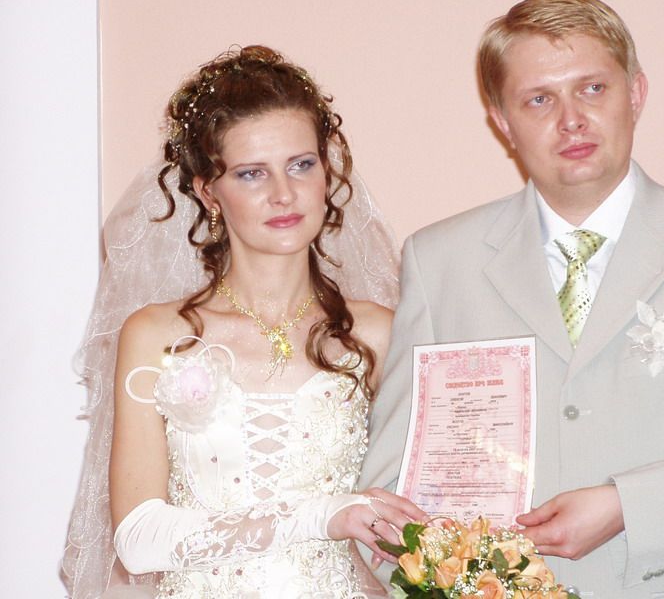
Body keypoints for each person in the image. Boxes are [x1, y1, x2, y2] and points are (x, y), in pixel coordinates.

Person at [359, 0, 664, 597]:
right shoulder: (439, 262)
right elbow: (390, 500)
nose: (571, 120)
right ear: (502, 121)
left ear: (636, 93)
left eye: (592, 88)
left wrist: (629, 506)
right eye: (539, 99)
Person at [62, 45, 424, 599]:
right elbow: (138, 540)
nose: (284, 193)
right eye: (252, 174)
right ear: (208, 191)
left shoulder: (377, 333)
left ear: (326, 172)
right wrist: (321, 516)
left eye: (301, 165)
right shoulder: (158, 335)